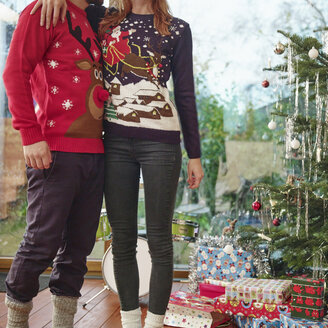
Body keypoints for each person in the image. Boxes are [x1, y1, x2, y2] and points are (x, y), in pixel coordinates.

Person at [99, 0, 203, 327]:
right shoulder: (103, 21)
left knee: (159, 238)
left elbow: (185, 93)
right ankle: (130, 321)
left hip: (162, 142)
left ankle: (155, 323)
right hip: (113, 142)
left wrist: (195, 154)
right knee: (123, 238)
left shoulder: (177, 29)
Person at [2, 0, 107, 326]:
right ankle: (17, 322)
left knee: (79, 248)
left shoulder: (93, 19)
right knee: (40, 243)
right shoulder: (43, 10)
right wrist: (29, 133)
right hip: (55, 151)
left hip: (95, 153)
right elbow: (14, 72)